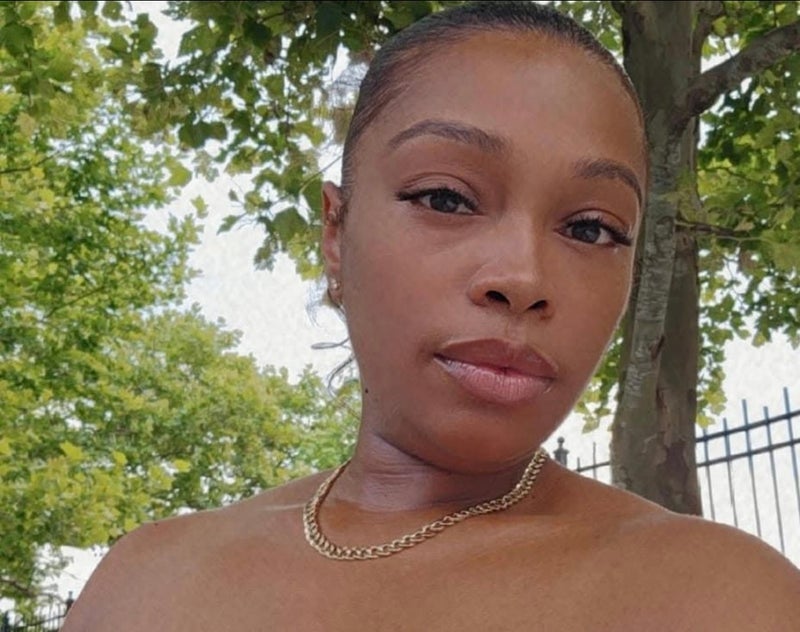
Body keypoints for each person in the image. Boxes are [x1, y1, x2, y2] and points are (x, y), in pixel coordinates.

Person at [63, 3, 800, 630]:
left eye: (591, 228)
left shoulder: (725, 599)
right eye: (446, 198)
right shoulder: (142, 586)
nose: (522, 279)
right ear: (335, 233)